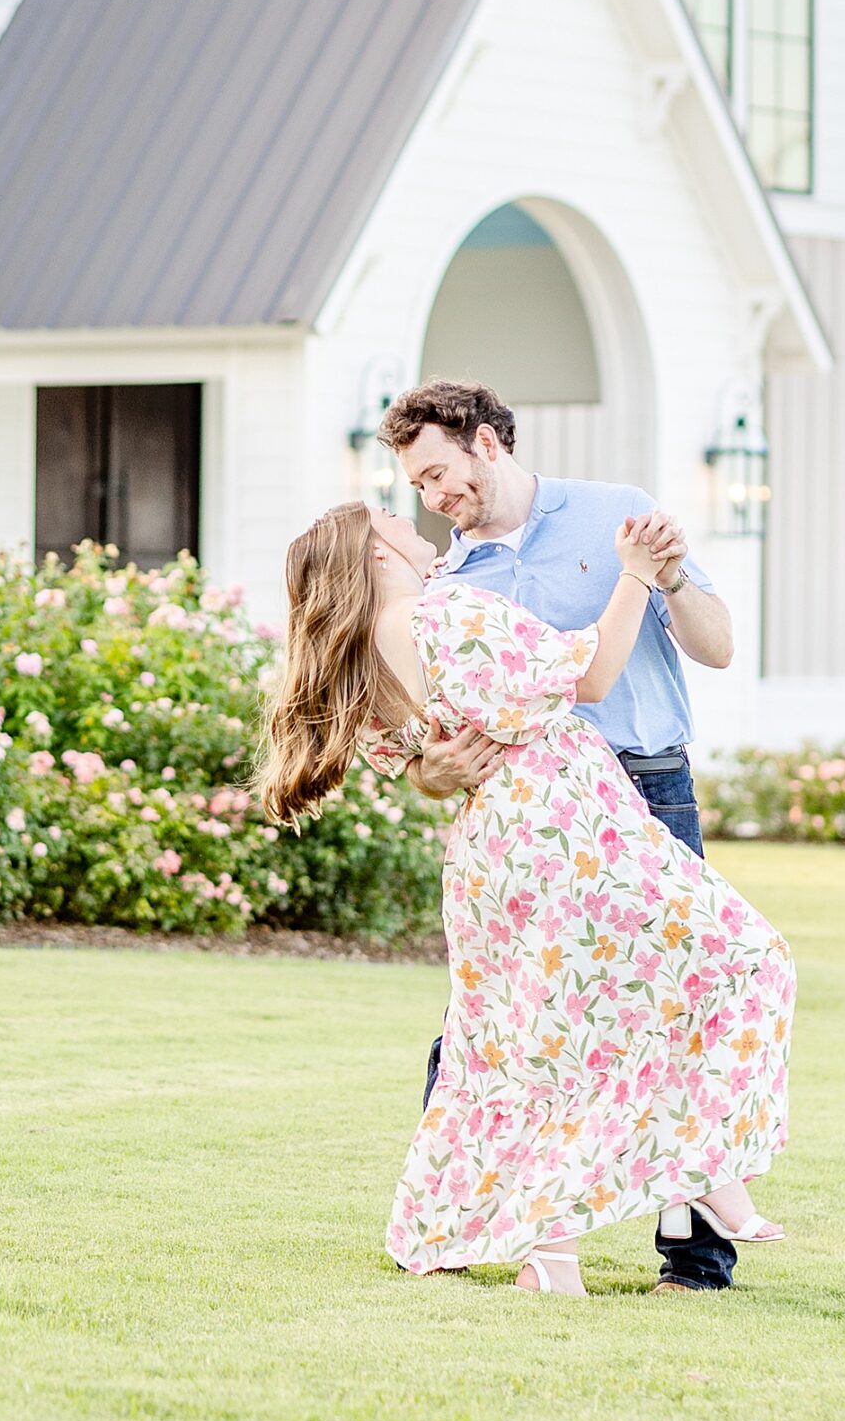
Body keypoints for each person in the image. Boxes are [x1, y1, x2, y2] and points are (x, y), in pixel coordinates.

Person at [257, 499, 794, 1293]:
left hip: (495, 852)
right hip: (567, 831)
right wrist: (636, 577)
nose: (413, 522)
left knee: (530, 1046)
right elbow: (592, 673)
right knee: (744, 960)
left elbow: (408, 755)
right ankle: (697, 1164)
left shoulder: (362, 656)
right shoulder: (444, 614)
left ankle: (558, 1255)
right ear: (374, 557)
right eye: (392, 523)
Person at [377, 378, 744, 1293]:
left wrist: (661, 576)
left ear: (485, 444)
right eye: (417, 488)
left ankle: (696, 1260)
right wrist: (433, 774)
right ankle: (455, 1227)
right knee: (494, 1023)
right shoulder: (443, 580)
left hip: (646, 787)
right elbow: (422, 744)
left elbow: (717, 643)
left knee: (686, 1004)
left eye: (437, 474)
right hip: (531, 820)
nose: (433, 499)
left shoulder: (616, 515)